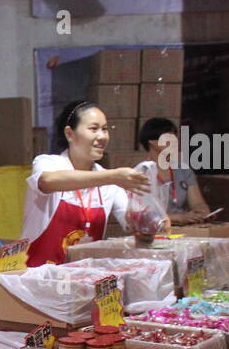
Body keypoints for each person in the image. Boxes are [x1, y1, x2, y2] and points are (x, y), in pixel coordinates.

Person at [21, 101, 153, 266]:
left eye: (105, 129)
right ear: (70, 134)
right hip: (38, 278)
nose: (102, 136)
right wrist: (112, 176)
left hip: (81, 279)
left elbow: (131, 220)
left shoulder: (110, 181)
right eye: (94, 129)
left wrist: (147, 221)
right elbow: (47, 181)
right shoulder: (47, 163)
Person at [134, 117, 212, 224]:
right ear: (151, 141)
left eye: (175, 136)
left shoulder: (183, 170)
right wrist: (180, 217)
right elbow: (145, 212)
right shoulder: (142, 172)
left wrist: (202, 211)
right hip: (154, 230)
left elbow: (197, 202)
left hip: (185, 230)